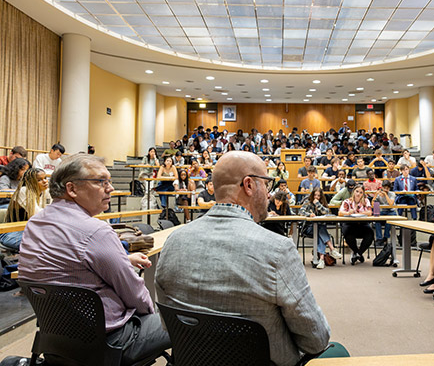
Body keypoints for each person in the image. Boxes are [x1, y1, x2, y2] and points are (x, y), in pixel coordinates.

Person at [155, 151, 343, 366]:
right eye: (267, 185)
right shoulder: (277, 249)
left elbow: (167, 325)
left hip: (191, 361)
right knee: (338, 353)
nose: (270, 195)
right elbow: (315, 339)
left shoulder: (173, 242)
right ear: (249, 185)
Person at [18, 154, 171, 365]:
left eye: (109, 181)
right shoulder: (96, 231)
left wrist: (123, 259)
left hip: (58, 339)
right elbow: (135, 294)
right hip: (110, 341)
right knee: (182, 323)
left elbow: (70, 265)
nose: (111, 188)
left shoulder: (35, 224)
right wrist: (149, 315)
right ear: (72, 189)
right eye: (101, 181)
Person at [0, 168, 51, 250]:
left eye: (45, 178)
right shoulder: (24, 191)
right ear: (30, 182)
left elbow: (51, 213)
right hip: (12, 233)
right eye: (39, 180)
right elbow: (38, 215)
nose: (45, 181)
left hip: (33, 230)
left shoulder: (46, 191)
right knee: (45, 245)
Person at [298, 188, 342, 269]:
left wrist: (318, 204)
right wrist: (309, 215)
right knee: (320, 228)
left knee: (319, 231)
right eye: (315, 195)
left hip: (318, 229)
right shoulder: (307, 202)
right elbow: (301, 212)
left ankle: (321, 259)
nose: (316, 197)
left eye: (318, 195)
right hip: (308, 229)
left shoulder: (321, 203)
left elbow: (327, 212)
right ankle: (332, 249)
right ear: (312, 195)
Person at [338, 185, 374, 265]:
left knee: (370, 234)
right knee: (348, 234)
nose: (358, 194)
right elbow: (340, 213)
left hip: (363, 224)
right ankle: (357, 252)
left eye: (361, 192)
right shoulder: (347, 201)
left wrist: (358, 213)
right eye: (357, 191)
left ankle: (358, 253)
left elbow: (369, 212)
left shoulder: (366, 201)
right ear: (353, 191)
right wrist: (348, 213)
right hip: (350, 224)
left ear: (363, 194)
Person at [373, 180, 396, 246]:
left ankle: (385, 237)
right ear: (382, 187)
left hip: (391, 212)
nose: (386, 189)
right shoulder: (378, 194)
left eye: (388, 188)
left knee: (388, 221)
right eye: (385, 188)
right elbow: (372, 204)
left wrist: (385, 194)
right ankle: (379, 239)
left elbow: (391, 204)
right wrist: (375, 196)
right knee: (377, 221)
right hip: (382, 212)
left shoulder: (392, 194)